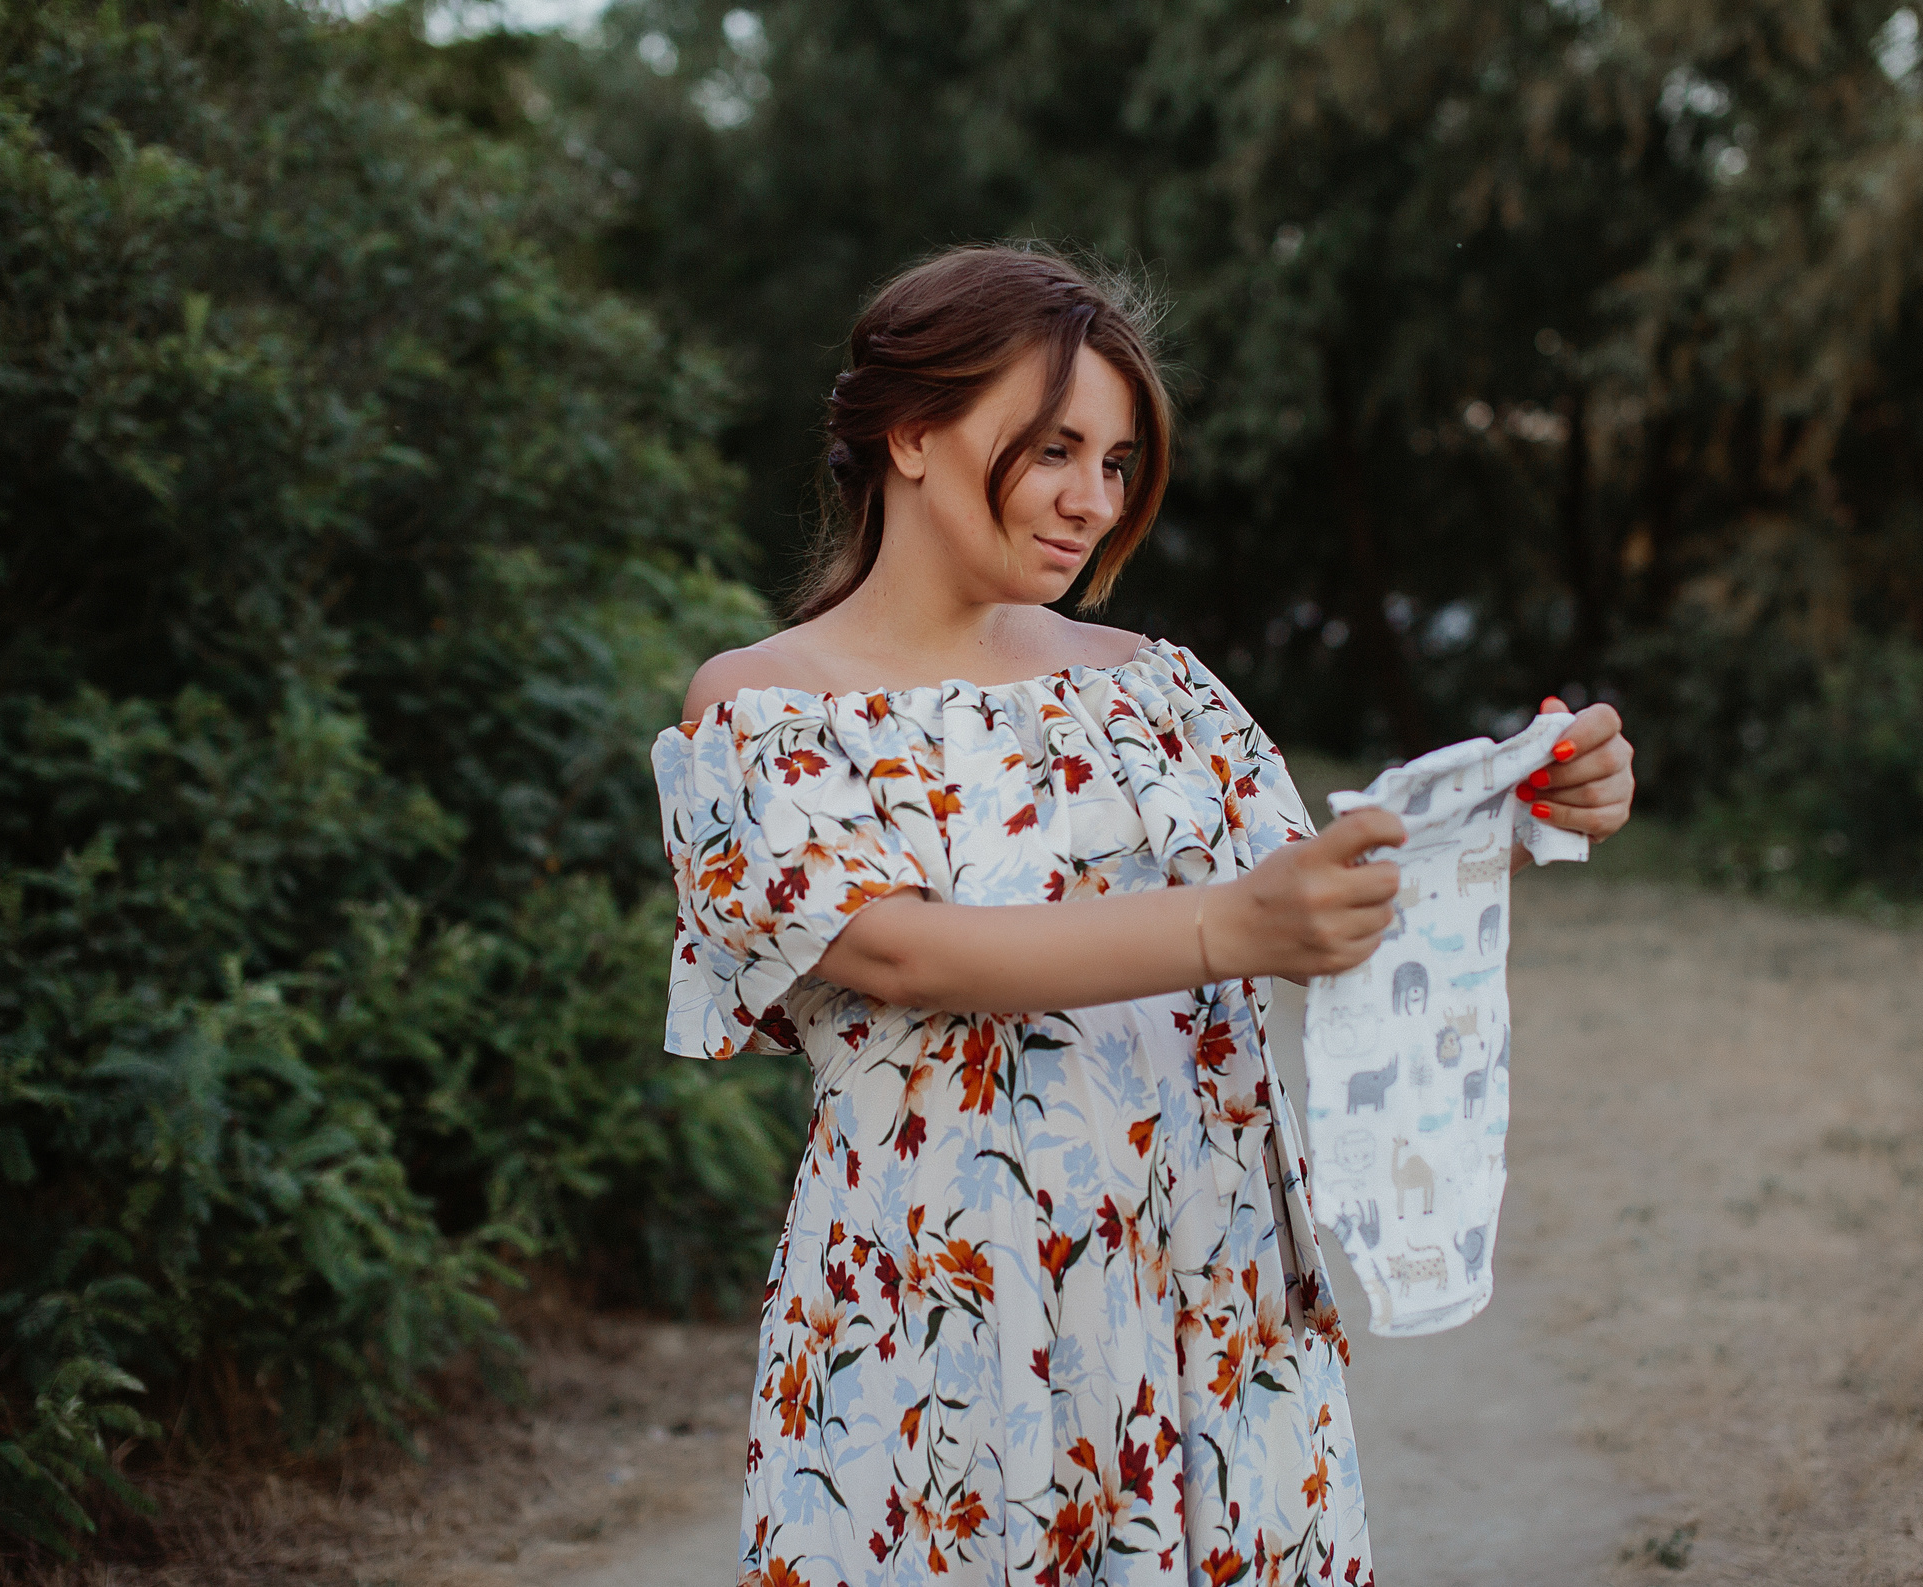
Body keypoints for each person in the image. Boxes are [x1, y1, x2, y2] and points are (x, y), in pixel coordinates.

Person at [653, 244, 1636, 1587]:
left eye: (1116, 465)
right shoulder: (765, 709)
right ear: (913, 432)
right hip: (949, 1301)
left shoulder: (1155, 689)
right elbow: (896, 948)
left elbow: (1313, 893)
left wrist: (1524, 807)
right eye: (1055, 450)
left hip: (1212, 1280)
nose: (1093, 502)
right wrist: (1225, 930)